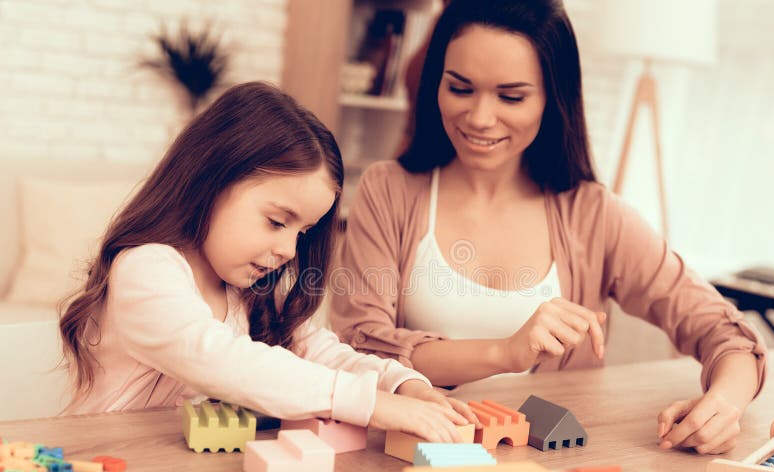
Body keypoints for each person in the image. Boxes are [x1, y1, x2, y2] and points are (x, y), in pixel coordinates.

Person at [330, 0, 767, 454]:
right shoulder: (389, 190)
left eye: (511, 97)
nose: (479, 118)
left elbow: (725, 331)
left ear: (551, 99)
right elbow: (362, 350)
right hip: (409, 461)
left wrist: (724, 403)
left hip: (548, 471)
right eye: (460, 88)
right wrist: (505, 352)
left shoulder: (593, 215)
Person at [58, 81, 477, 443]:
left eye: (303, 232)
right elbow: (222, 360)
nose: (290, 250)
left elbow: (321, 351)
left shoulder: (251, 289)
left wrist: (401, 385)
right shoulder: (145, 271)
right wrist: (370, 405)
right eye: (277, 221)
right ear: (212, 179)